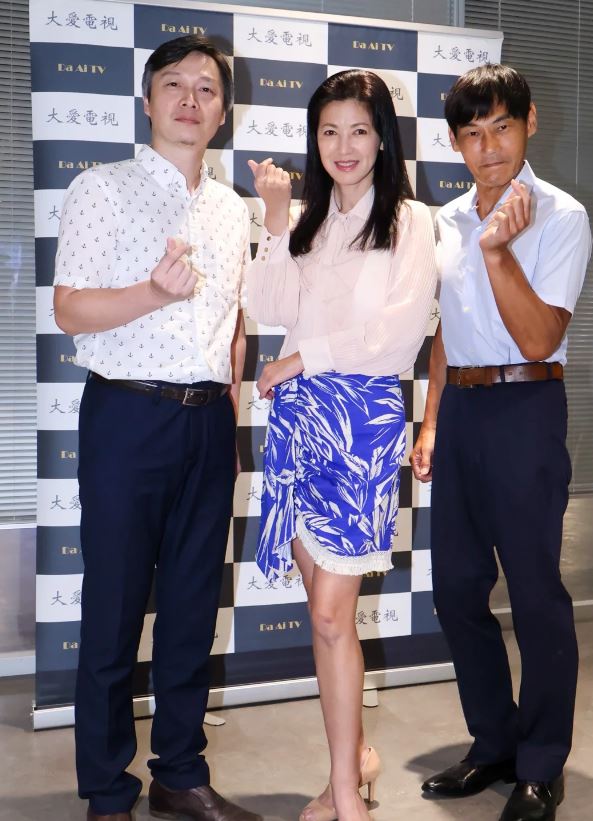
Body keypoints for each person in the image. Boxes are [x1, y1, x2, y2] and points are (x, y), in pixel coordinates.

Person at [53, 35, 262, 821]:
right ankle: (108, 791)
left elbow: (232, 325)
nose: (189, 99)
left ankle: (180, 772)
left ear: (223, 111)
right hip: (127, 417)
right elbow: (69, 308)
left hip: (207, 423)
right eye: (173, 84)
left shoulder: (231, 208)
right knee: (112, 608)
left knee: (189, 608)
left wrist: (228, 420)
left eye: (206, 88)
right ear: (147, 101)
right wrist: (151, 292)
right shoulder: (101, 187)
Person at [247, 69, 437, 821]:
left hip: (361, 426)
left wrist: (304, 357)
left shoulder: (410, 221)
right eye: (329, 131)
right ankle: (347, 767)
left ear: (383, 137)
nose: (344, 145)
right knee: (319, 609)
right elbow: (268, 305)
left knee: (332, 612)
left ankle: (347, 789)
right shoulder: (310, 221)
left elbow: (397, 336)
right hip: (299, 422)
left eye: (359, 129)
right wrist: (273, 219)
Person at [411, 64, 591, 821]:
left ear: (529, 123)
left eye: (502, 128)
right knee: (455, 588)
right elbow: (446, 331)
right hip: (460, 411)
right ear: (455, 142)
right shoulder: (445, 220)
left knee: (535, 592)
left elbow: (540, 335)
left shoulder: (562, 217)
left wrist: (497, 252)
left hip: (526, 407)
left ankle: (542, 762)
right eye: (472, 133)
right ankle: (494, 742)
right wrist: (430, 421)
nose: (489, 148)